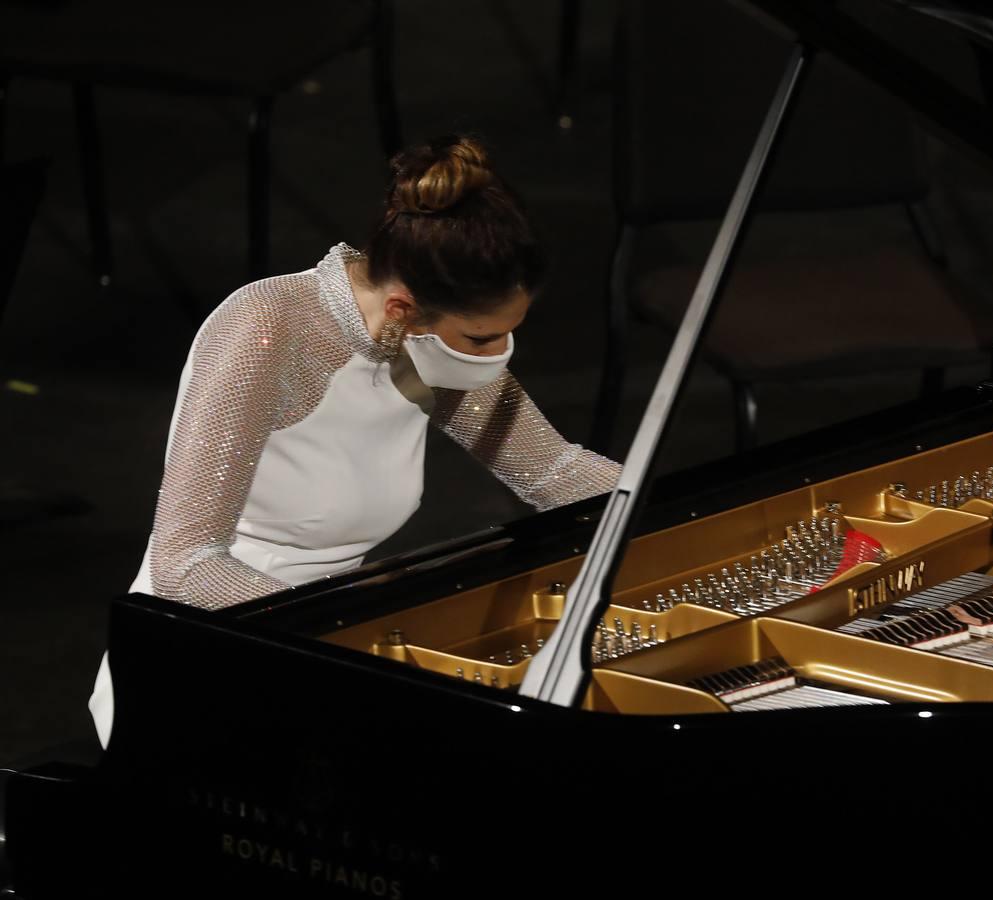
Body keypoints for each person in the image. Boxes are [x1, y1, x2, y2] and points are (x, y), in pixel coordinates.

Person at [87, 135, 620, 746]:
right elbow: (187, 566)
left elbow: (552, 471)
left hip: (335, 631)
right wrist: (351, 640)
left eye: (509, 334)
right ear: (401, 309)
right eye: (480, 339)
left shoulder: (421, 343)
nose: (498, 356)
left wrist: (716, 508)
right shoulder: (268, 326)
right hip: (216, 652)